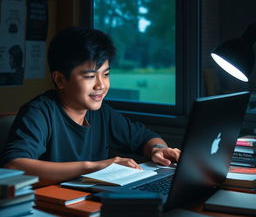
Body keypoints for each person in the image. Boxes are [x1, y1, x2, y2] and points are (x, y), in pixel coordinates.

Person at [0, 27, 180, 183]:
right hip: (47, 209)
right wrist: (94, 167)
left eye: (106, 74)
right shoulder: (39, 112)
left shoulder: (102, 113)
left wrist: (158, 150)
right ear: (60, 79)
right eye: (90, 76)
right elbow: (14, 166)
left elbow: (146, 138)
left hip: (90, 203)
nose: (101, 85)